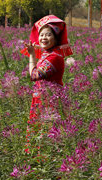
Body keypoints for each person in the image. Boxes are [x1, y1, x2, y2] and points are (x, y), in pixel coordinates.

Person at [20, 15, 72, 154]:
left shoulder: (54, 57)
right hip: (43, 99)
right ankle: (38, 162)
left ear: (55, 38)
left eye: (48, 35)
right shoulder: (47, 54)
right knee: (40, 134)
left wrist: (31, 55)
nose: (43, 38)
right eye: (41, 35)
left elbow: (35, 75)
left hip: (51, 101)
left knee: (49, 136)